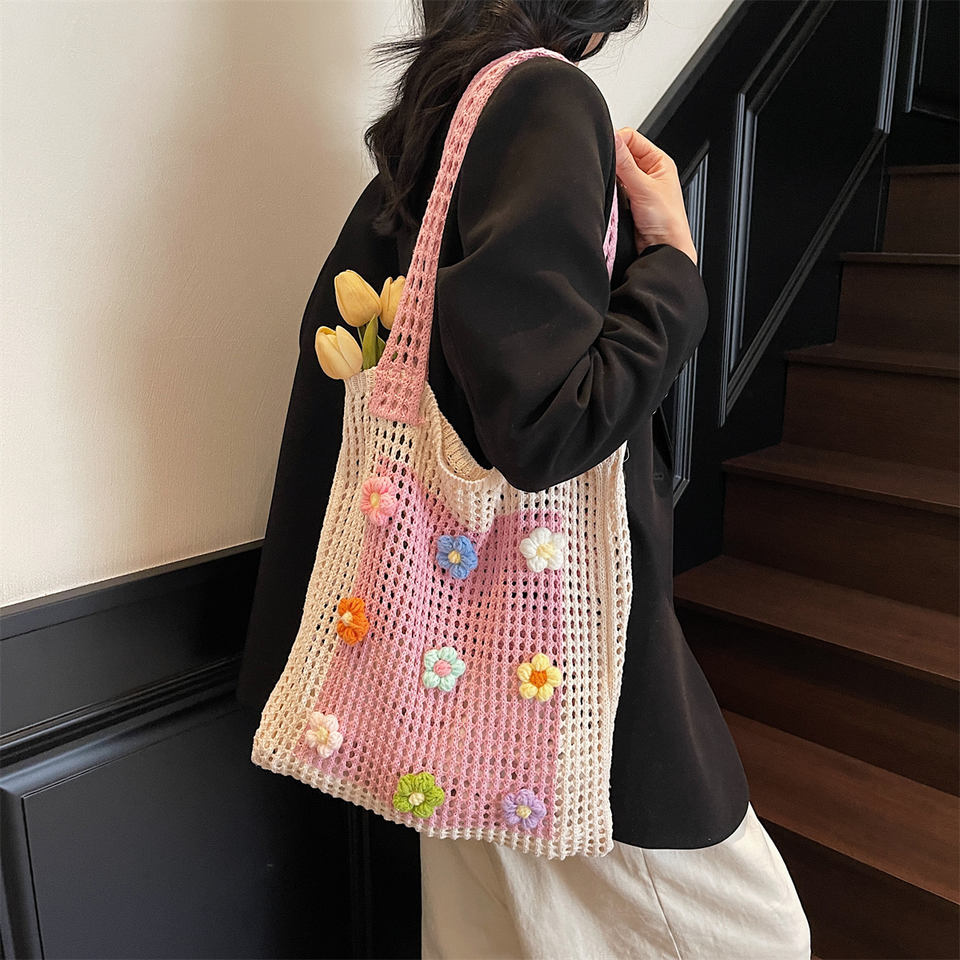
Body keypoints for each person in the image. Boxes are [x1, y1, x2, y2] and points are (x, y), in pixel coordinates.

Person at [235, 2, 811, 957]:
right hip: (551, 675)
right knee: (758, 937)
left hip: (444, 667)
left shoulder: (434, 123)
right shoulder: (543, 97)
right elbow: (549, 426)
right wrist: (673, 266)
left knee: (489, 938)